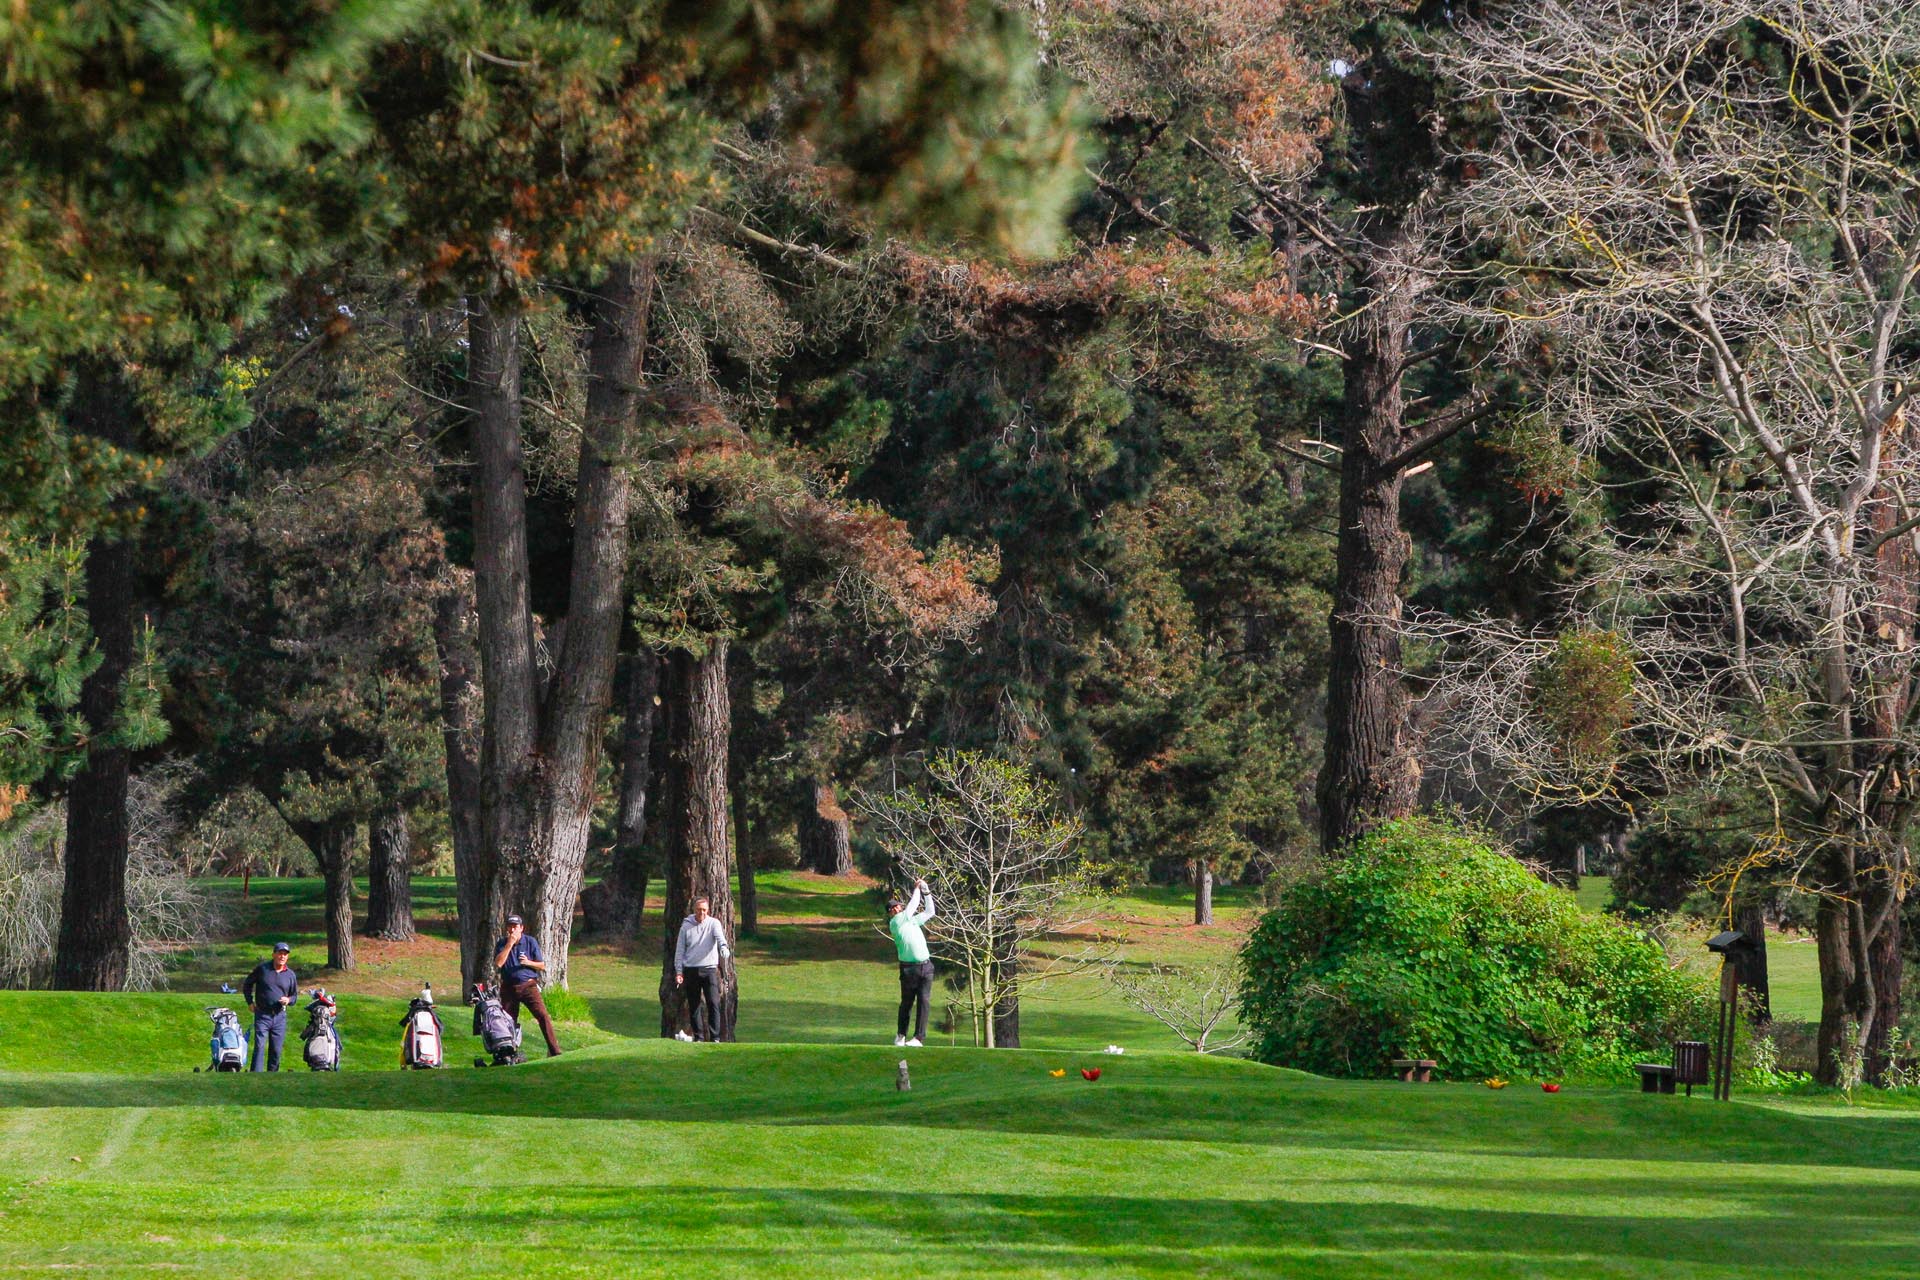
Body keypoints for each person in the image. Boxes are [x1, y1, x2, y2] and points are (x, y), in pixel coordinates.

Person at [493, 914, 562, 1058]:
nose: (512, 930)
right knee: (508, 1021)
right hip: (509, 988)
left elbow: (541, 965)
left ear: (521, 928)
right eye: (510, 927)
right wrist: (509, 945)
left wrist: (528, 962)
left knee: (542, 1015)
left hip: (528, 986)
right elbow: (498, 963)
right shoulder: (502, 943)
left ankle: (554, 1050)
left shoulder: (530, 942)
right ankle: (509, 1053)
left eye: (515, 927)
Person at [673, 896, 731, 1042]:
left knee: (713, 1003)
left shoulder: (713, 923)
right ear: (694, 910)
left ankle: (715, 1037)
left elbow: (720, 938)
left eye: (704, 910)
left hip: (709, 969)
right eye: (699, 910)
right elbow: (680, 951)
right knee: (694, 1005)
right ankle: (699, 1037)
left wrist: (723, 947)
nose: (702, 913)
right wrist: (679, 971)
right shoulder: (686, 926)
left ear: (708, 910)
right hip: (691, 969)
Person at [888, 878, 936, 1047]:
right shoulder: (895, 923)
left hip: (926, 967)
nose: (896, 908)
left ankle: (918, 1038)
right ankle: (901, 1035)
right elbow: (913, 906)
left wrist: (926, 891)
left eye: (897, 906)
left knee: (924, 1001)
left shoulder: (912, 921)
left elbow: (930, 911)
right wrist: (917, 889)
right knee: (907, 1003)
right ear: (890, 913)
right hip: (908, 969)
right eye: (893, 908)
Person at [242, 941, 298, 1072]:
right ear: (273, 954)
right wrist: (250, 1002)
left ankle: (272, 1077)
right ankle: (256, 1076)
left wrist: (288, 1000)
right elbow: (247, 984)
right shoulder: (263, 969)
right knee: (259, 1047)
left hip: (280, 1016)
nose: (282, 956)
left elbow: (294, 996)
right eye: (280, 953)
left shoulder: (290, 975)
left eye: (285, 954)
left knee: (276, 1050)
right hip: (262, 1015)